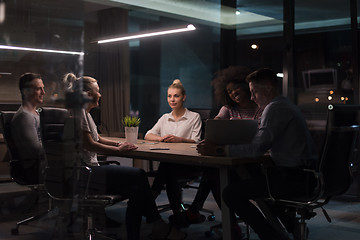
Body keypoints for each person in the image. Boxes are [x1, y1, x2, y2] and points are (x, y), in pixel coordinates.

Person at [62, 73, 187, 240]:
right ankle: (156, 223)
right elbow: (89, 145)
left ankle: (138, 233)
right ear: (88, 94)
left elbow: (97, 138)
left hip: (90, 171)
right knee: (139, 175)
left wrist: (117, 144)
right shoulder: (79, 112)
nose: (101, 94)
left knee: (136, 190)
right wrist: (119, 151)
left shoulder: (86, 113)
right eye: (98, 91)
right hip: (85, 173)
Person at [197, 68, 318, 240]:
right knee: (252, 176)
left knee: (231, 193)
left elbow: (256, 149)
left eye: (254, 92)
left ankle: (271, 236)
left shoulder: (274, 109)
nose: (252, 97)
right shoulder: (286, 105)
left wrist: (219, 150)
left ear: (268, 87)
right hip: (304, 175)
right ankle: (291, 226)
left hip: (294, 179)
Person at [180, 66, 262, 234]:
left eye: (235, 89)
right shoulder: (228, 109)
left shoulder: (261, 109)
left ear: (246, 86)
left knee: (214, 175)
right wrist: (209, 138)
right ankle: (227, 222)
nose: (232, 93)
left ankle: (198, 211)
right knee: (215, 174)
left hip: (252, 163)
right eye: (229, 91)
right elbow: (215, 127)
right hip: (230, 162)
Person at [144, 79, 202, 223]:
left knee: (166, 168)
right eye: (169, 96)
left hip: (189, 164)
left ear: (184, 97)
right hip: (170, 164)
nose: (172, 99)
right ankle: (177, 213)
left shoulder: (194, 117)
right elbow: (147, 135)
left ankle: (150, 201)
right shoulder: (165, 118)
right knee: (168, 168)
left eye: (176, 96)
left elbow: (197, 141)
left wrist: (180, 139)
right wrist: (161, 138)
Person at [11, 73, 47, 184]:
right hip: (34, 169)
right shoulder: (25, 116)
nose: (43, 92)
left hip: (43, 164)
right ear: (25, 92)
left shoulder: (36, 113)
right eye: (38, 89)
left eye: (43, 88)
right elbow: (36, 150)